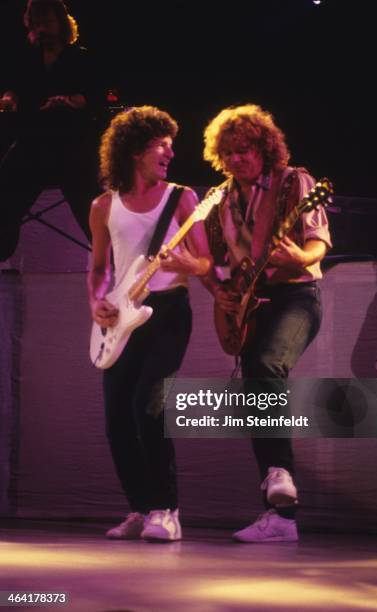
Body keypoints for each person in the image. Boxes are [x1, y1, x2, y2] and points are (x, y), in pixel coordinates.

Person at [203, 104, 332, 542]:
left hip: (297, 295)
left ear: (264, 148)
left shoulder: (295, 182)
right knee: (255, 382)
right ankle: (280, 518)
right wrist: (218, 291)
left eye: (245, 150)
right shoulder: (219, 199)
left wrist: (299, 256)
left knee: (265, 364)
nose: (237, 159)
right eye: (229, 152)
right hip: (251, 303)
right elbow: (215, 264)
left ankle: (279, 474)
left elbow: (317, 245)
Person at [88, 106, 212, 542]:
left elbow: (205, 262)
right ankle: (140, 508)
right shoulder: (103, 205)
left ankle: (166, 509)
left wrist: (186, 262)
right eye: (163, 144)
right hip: (122, 318)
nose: (171, 152)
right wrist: (96, 303)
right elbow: (100, 267)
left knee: (148, 407)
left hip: (169, 314)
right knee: (117, 420)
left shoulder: (183, 198)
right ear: (137, 149)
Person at [0, 0, 101, 262]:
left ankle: (111, 262)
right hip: (33, 142)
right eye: (36, 24)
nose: (41, 29)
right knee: (5, 194)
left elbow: (93, 98)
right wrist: (9, 98)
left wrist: (68, 101)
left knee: (90, 209)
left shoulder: (80, 58)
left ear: (61, 24)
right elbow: (14, 89)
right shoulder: (25, 59)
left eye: (46, 23)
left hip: (71, 146)